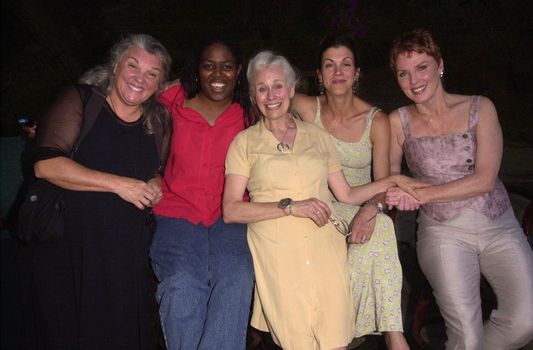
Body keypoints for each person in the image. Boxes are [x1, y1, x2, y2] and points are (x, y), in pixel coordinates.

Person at [223, 50, 420, 350]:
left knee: (335, 341)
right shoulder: (245, 143)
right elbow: (231, 210)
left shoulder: (316, 136)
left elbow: (347, 194)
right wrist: (290, 207)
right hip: (279, 250)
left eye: (278, 86)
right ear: (253, 95)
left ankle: (393, 330)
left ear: (291, 90)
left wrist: (393, 180)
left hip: (323, 247)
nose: (271, 95)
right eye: (262, 88)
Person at [19, 33, 172, 350]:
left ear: (159, 85)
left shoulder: (159, 120)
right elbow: (45, 165)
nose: (138, 79)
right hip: (71, 248)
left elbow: (157, 169)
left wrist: (155, 184)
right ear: (115, 66)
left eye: (151, 74)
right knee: (71, 332)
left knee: (121, 332)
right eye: (132, 66)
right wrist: (120, 185)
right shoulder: (81, 100)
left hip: (125, 251)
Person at [387, 28, 533, 349]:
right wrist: (388, 196)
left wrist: (420, 193)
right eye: (403, 73)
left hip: (498, 225)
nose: (414, 80)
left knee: (527, 319)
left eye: (421, 67)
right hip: (442, 232)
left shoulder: (481, 108)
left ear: (439, 64)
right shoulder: (397, 122)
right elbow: (388, 179)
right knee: (465, 336)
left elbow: (485, 179)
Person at [291, 32, 408, 349]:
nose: (338, 71)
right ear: (319, 75)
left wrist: (370, 211)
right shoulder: (305, 108)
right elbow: (263, 88)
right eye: (329, 65)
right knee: (382, 230)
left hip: (358, 205)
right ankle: (393, 338)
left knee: (380, 225)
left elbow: (383, 186)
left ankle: (339, 335)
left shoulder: (376, 121)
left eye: (346, 64)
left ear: (357, 74)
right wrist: (177, 87)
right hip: (316, 209)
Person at [149, 33, 256, 350]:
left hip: (231, 215)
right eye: (209, 66)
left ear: (239, 71)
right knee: (183, 282)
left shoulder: (250, 113)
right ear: (197, 69)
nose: (218, 75)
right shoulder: (172, 103)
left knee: (237, 277)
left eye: (227, 67)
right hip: (176, 212)